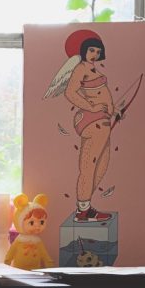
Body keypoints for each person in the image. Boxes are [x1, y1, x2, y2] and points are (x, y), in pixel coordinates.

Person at [44, 30, 115, 223]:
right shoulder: (80, 69)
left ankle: (86, 205)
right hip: (93, 121)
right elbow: (70, 92)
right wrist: (91, 106)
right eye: (91, 50)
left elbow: (103, 94)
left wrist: (113, 111)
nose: (95, 54)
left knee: (102, 164)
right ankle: (83, 210)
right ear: (84, 51)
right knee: (89, 165)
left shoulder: (93, 69)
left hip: (104, 120)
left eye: (98, 51)